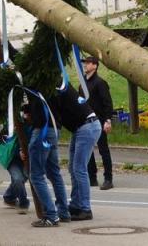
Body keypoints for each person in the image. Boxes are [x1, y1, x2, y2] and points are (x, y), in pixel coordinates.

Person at [54, 83, 102, 222]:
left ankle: (85, 209)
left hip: (87, 126)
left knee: (79, 168)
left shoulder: (58, 88)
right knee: (73, 168)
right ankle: (76, 204)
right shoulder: (58, 86)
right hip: (81, 127)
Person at [26, 83, 69, 228]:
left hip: (42, 131)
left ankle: (51, 215)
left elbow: (37, 108)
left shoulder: (35, 84)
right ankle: (63, 212)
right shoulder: (54, 84)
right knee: (54, 173)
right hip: (54, 129)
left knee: (36, 175)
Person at [82, 56, 114, 190]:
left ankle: (108, 179)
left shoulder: (100, 83)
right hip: (87, 121)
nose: (85, 65)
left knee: (103, 150)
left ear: (95, 66)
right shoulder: (83, 84)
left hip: (99, 121)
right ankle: (92, 177)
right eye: (85, 63)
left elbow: (107, 102)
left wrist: (107, 120)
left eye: (88, 63)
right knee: (88, 150)